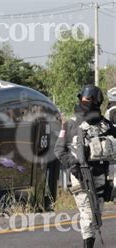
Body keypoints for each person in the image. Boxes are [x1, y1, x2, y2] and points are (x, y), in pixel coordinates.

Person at [54, 84, 115, 248]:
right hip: (81, 176)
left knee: (97, 216)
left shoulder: (107, 126)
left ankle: (90, 241)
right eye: (83, 98)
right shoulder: (70, 125)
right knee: (88, 214)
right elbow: (59, 150)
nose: (85, 102)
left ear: (97, 101)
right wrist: (73, 166)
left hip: (102, 176)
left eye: (88, 99)